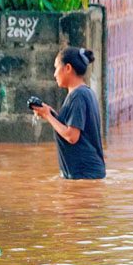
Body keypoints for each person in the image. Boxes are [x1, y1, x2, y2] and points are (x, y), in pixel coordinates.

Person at [31, 47, 106, 179]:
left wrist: (48, 116)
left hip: (84, 175)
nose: (54, 74)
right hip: (88, 174)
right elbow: (74, 129)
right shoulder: (85, 92)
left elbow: (72, 136)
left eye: (56, 68)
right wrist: (49, 113)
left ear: (68, 68)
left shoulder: (77, 96)